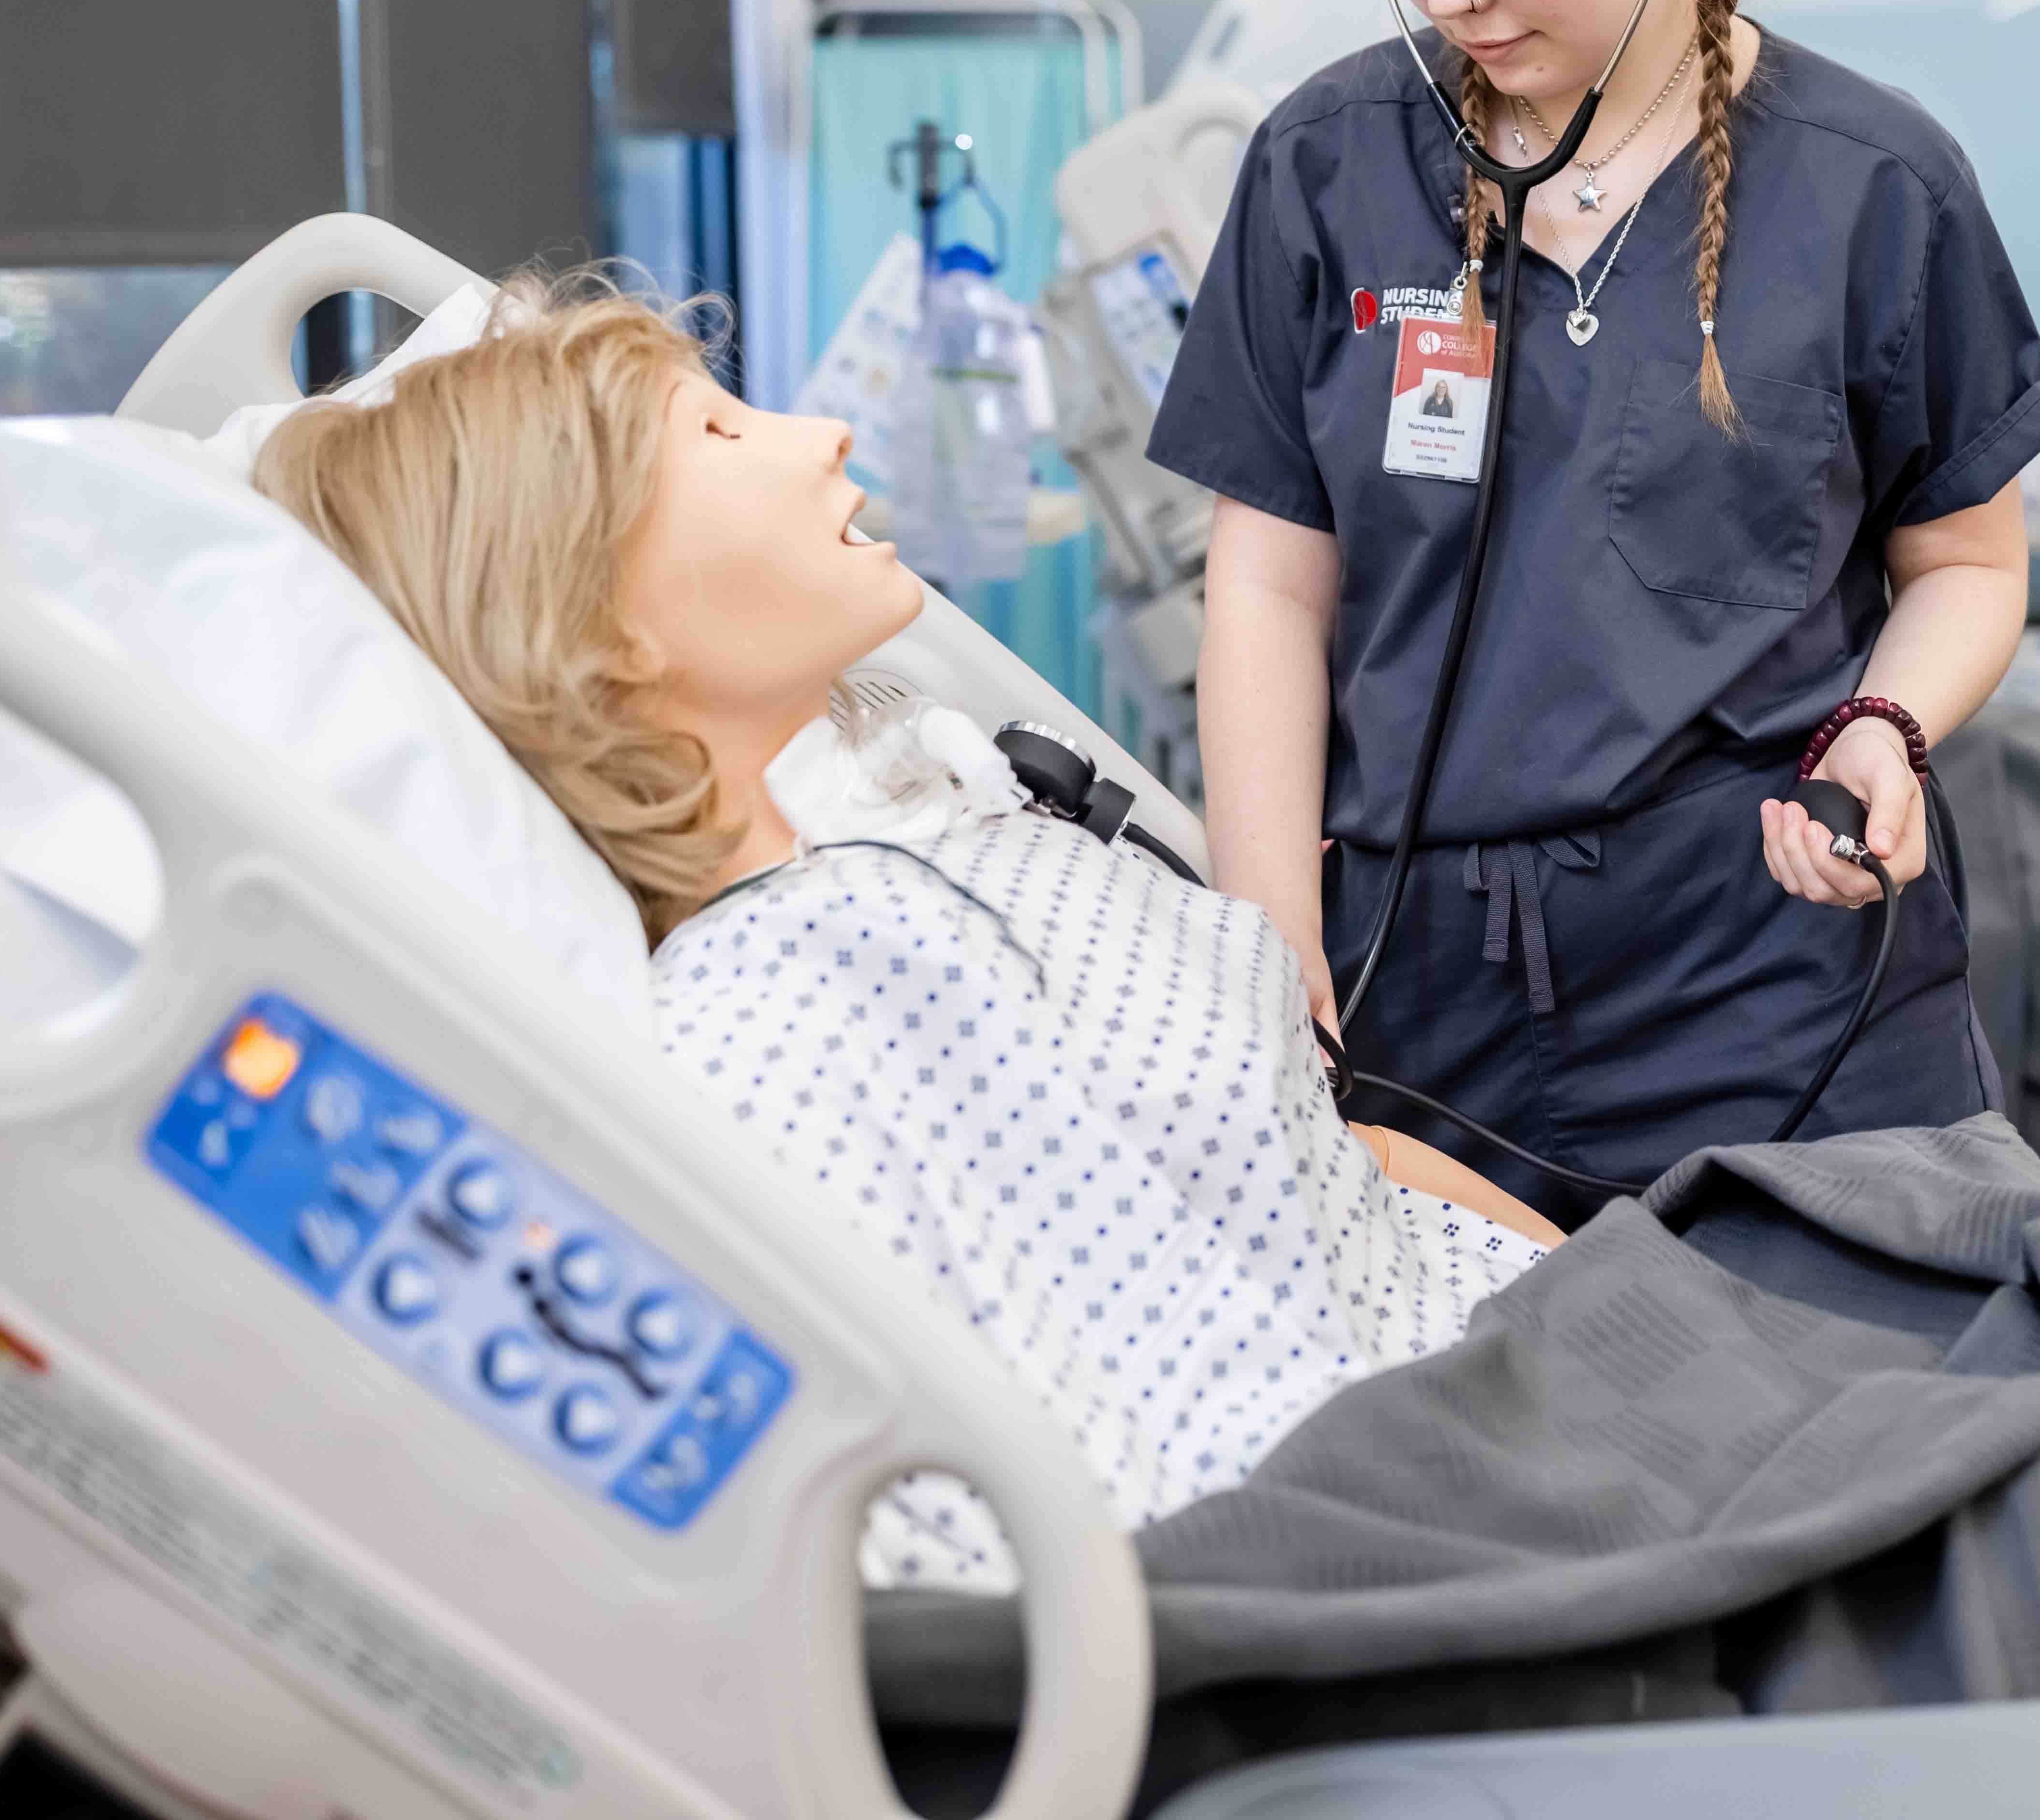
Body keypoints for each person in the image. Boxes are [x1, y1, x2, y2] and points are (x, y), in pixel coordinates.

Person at [252, 277, 1562, 1562]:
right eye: (714, 429)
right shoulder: (764, 1029)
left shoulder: (911, 869)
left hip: (1521, 1357)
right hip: (1449, 1500)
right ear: (597, 626)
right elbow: (1139, 1503)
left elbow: (1325, 1178)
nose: (817, 432)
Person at [1145, 0, 2040, 1224]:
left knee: (1854, 1415)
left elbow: (1968, 566)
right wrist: (1269, 930)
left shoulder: (1871, 185)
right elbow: (1271, 588)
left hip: (1774, 962)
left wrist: (1884, 730)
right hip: (1418, 987)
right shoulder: (1329, 166)